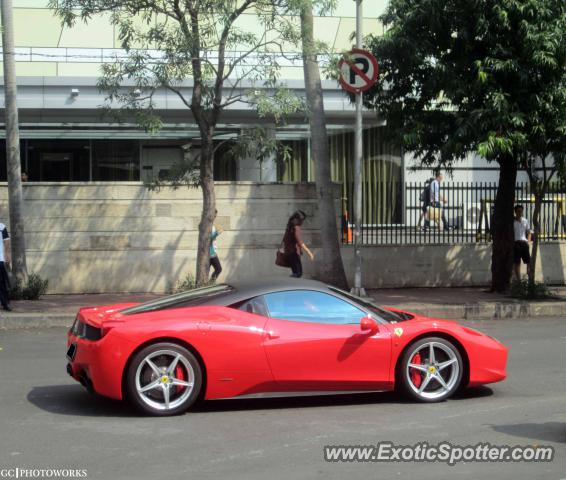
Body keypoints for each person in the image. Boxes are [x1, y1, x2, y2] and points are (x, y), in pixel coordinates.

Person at [282, 210, 314, 278]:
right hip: (294, 253)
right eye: (302, 220)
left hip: (289, 253)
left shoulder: (289, 227)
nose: (302, 222)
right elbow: (300, 241)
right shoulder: (296, 228)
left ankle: (292, 284)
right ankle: (292, 285)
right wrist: (309, 252)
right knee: (298, 273)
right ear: (297, 219)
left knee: (295, 273)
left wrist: (300, 250)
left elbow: (286, 240)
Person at [513, 204, 531, 281]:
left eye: (521, 211)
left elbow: (529, 232)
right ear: (515, 212)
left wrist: (528, 242)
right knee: (517, 263)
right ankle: (519, 281)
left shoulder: (525, 221)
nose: (520, 213)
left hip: (524, 243)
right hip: (516, 243)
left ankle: (530, 277)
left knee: (529, 262)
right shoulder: (512, 222)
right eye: (518, 211)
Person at [0, 222, 12, 311]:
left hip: (0, 259)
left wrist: (7, 255)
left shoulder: (2, 226)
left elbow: (7, 241)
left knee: (1, 283)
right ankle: (5, 303)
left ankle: (5, 303)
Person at [209, 214, 223, 282]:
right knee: (218, 269)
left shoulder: (212, 225)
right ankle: (210, 283)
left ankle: (209, 284)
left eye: (215, 216)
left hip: (212, 251)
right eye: (214, 215)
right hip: (210, 253)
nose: (215, 217)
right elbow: (208, 239)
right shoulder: (208, 225)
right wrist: (217, 233)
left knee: (207, 271)